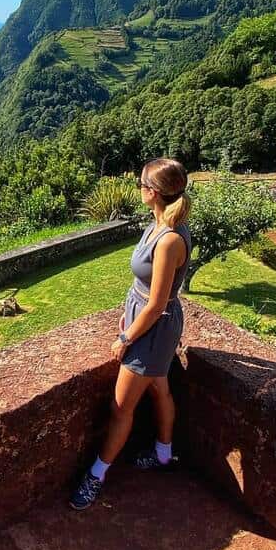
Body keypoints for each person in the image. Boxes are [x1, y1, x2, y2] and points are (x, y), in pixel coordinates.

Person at [70, 157, 192, 510]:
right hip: (146, 320)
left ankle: (96, 475)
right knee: (159, 387)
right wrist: (128, 317)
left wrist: (126, 339)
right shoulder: (158, 224)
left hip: (153, 328)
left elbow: (156, 304)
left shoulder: (169, 239)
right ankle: (164, 453)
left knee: (121, 407)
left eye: (141, 183)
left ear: (153, 192)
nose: (137, 187)